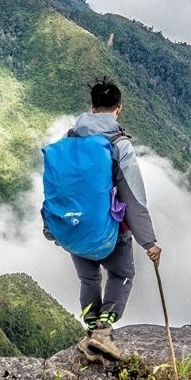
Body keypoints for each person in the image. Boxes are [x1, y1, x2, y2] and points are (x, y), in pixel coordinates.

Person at [47, 77, 161, 361]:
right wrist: (149, 242)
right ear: (118, 110)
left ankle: (90, 331)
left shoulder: (69, 140)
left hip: (73, 229)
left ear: (92, 107)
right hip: (111, 232)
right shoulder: (119, 145)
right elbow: (133, 196)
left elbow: (57, 188)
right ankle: (103, 331)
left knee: (88, 279)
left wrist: (51, 226)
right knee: (122, 275)